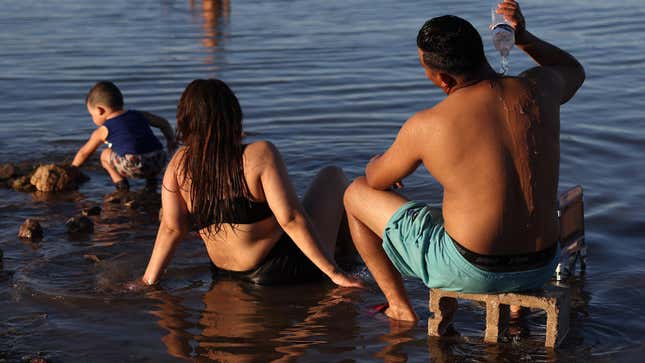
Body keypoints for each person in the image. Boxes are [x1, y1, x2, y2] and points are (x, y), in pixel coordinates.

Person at [343, 0, 585, 322]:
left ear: (443, 79)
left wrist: (382, 161)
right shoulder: (538, 87)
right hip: (541, 264)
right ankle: (515, 313)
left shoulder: (429, 124)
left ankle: (399, 308)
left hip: (473, 270)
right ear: (479, 53)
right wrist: (524, 37)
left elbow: (375, 180)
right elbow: (574, 70)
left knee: (354, 194)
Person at [139, 79, 361, 287]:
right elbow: (291, 219)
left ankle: (341, 258)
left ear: (185, 120)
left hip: (223, 273)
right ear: (234, 115)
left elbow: (171, 228)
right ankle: (349, 262)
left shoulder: (179, 163)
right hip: (278, 270)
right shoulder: (259, 153)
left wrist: (148, 280)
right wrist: (335, 274)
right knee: (333, 176)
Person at [71, 81, 176, 192]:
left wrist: (73, 168)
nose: (92, 118)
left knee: (104, 155)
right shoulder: (139, 114)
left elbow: (84, 153)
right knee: (144, 147)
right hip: (159, 160)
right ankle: (151, 182)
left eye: (92, 114)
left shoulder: (104, 129)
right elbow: (163, 123)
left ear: (99, 110)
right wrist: (170, 140)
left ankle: (121, 184)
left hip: (132, 164)